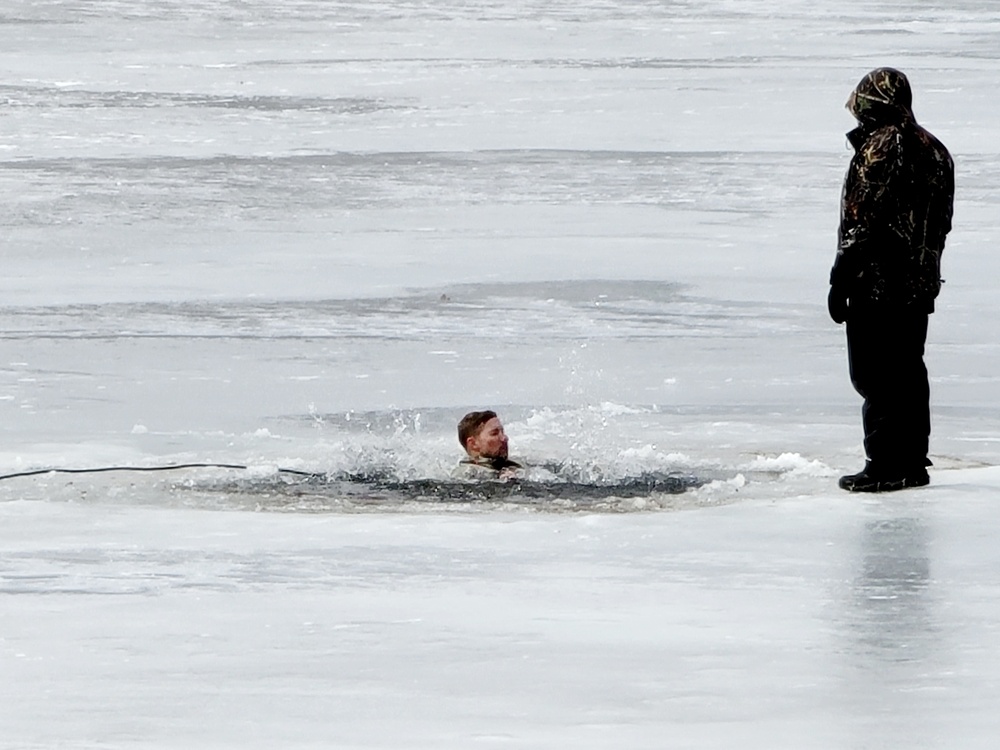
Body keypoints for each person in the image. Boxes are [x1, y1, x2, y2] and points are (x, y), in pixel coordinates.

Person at [828, 67, 954, 493]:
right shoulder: (936, 150)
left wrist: (841, 277)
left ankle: (884, 464)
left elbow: (862, 220)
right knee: (907, 370)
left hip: (877, 284)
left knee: (876, 375)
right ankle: (912, 461)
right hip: (919, 284)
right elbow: (942, 223)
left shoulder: (882, 146)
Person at [453, 410, 523, 480]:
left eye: (502, 432)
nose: (504, 438)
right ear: (473, 444)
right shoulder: (464, 475)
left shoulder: (514, 465)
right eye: (494, 433)